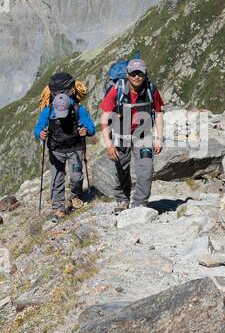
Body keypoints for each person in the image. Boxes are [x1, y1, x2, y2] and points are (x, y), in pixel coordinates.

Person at [98, 58, 164, 211]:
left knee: (146, 169)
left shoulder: (151, 89)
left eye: (140, 73)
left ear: (145, 74)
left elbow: (159, 113)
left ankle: (140, 203)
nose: (137, 77)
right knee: (121, 168)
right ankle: (122, 200)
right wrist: (108, 144)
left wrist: (159, 138)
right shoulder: (117, 90)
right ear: (127, 74)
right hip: (121, 134)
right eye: (133, 73)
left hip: (143, 135)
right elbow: (104, 118)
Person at [33, 72, 95, 219]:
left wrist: (85, 131)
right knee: (57, 179)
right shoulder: (48, 111)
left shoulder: (79, 109)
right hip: (56, 150)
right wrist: (40, 133)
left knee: (76, 176)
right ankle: (58, 207)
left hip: (75, 149)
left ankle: (76, 195)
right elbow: (37, 129)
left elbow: (91, 129)